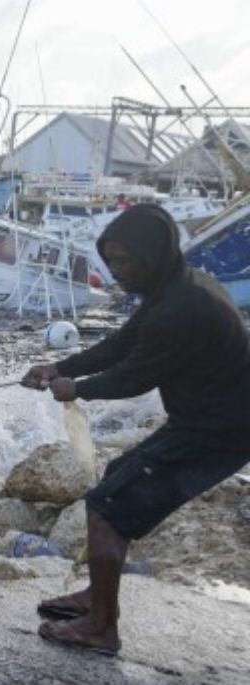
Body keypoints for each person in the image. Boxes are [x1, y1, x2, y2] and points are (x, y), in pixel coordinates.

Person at [22, 203, 250, 655]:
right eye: (113, 263)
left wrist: (74, 388)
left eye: (126, 261)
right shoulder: (177, 287)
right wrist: (58, 365)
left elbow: (133, 377)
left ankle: (102, 627)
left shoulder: (178, 309)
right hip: (210, 419)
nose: (119, 272)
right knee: (117, 478)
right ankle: (95, 597)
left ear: (154, 253)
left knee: (106, 505)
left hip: (221, 429)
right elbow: (121, 344)